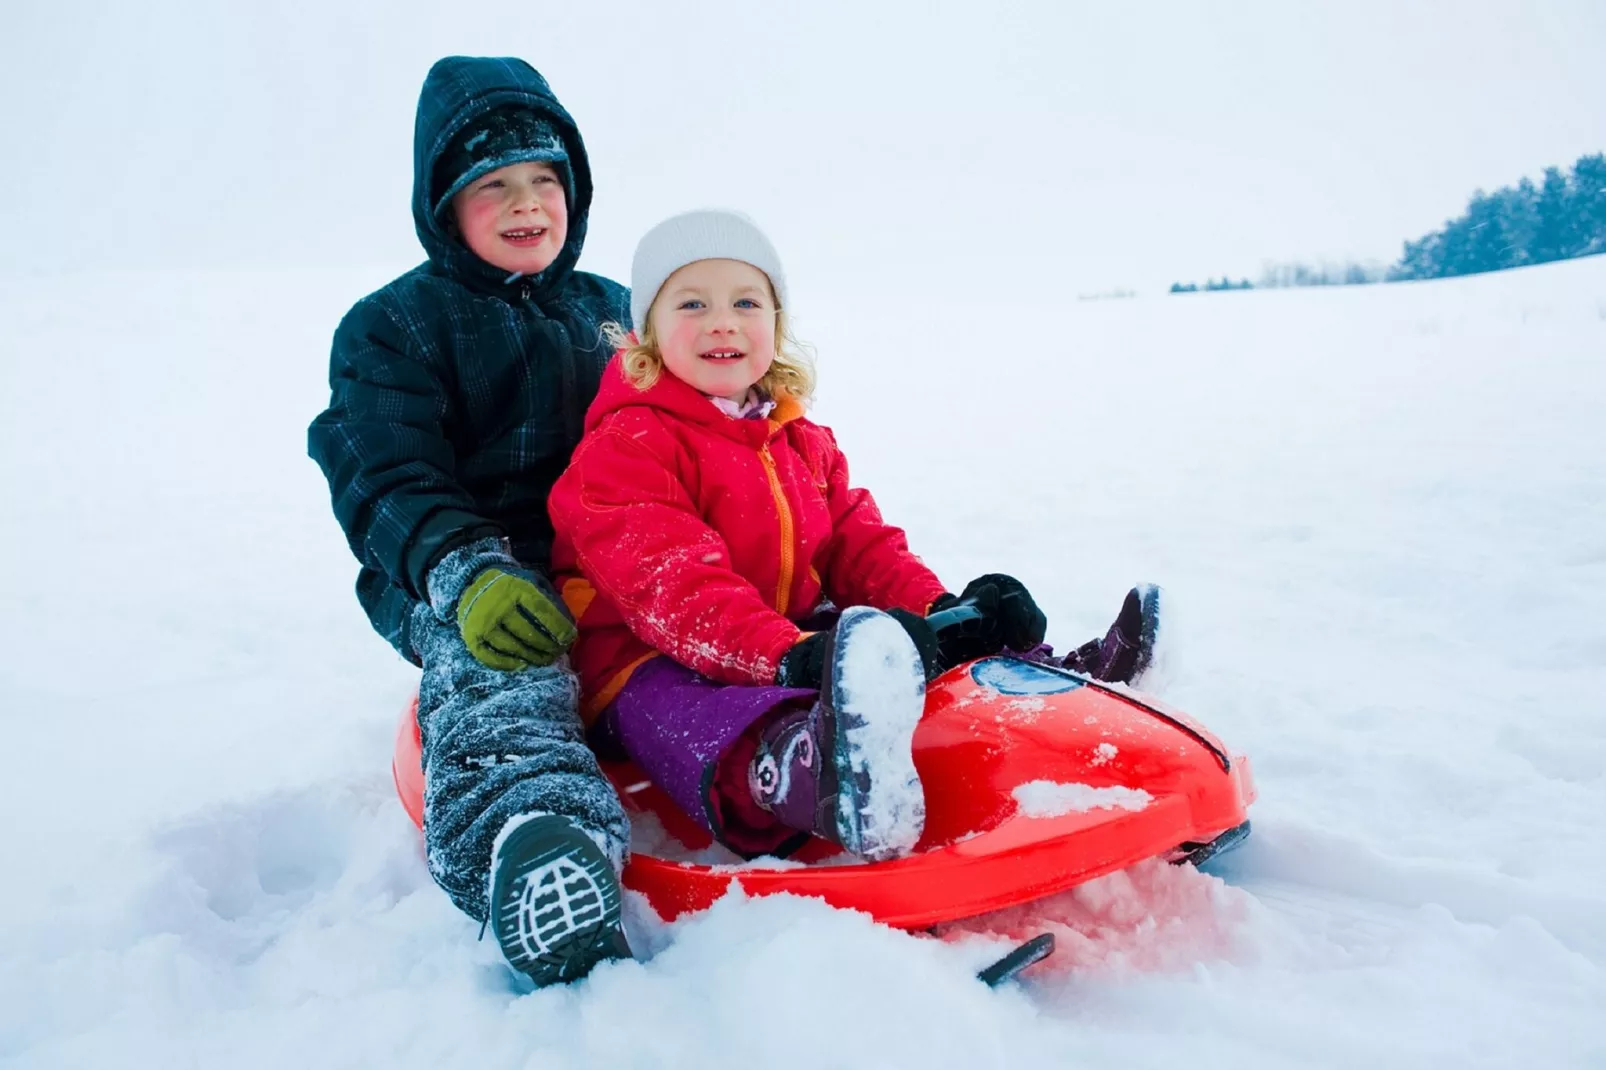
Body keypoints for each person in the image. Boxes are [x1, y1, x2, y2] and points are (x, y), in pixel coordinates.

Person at [548, 209, 1162, 863]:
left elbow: (859, 544)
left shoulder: (800, 441)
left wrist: (941, 613)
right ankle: (798, 769)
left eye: (746, 301)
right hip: (641, 658)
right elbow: (674, 588)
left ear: (775, 326)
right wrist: (789, 656)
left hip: (777, 636)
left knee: (881, 644)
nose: (722, 321)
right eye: (692, 303)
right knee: (678, 706)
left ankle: (1054, 697)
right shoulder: (628, 443)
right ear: (647, 334)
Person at [308, 56, 635, 989]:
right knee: (503, 665)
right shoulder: (396, 326)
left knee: (733, 607)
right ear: (444, 204)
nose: (528, 203)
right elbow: (382, 469)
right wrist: (461, 564)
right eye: (494, 185)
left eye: (546, 180)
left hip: (611, 553)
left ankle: (817, 731)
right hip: (461, 569)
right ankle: (531, 840)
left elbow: (680, 426)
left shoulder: (613, 311)